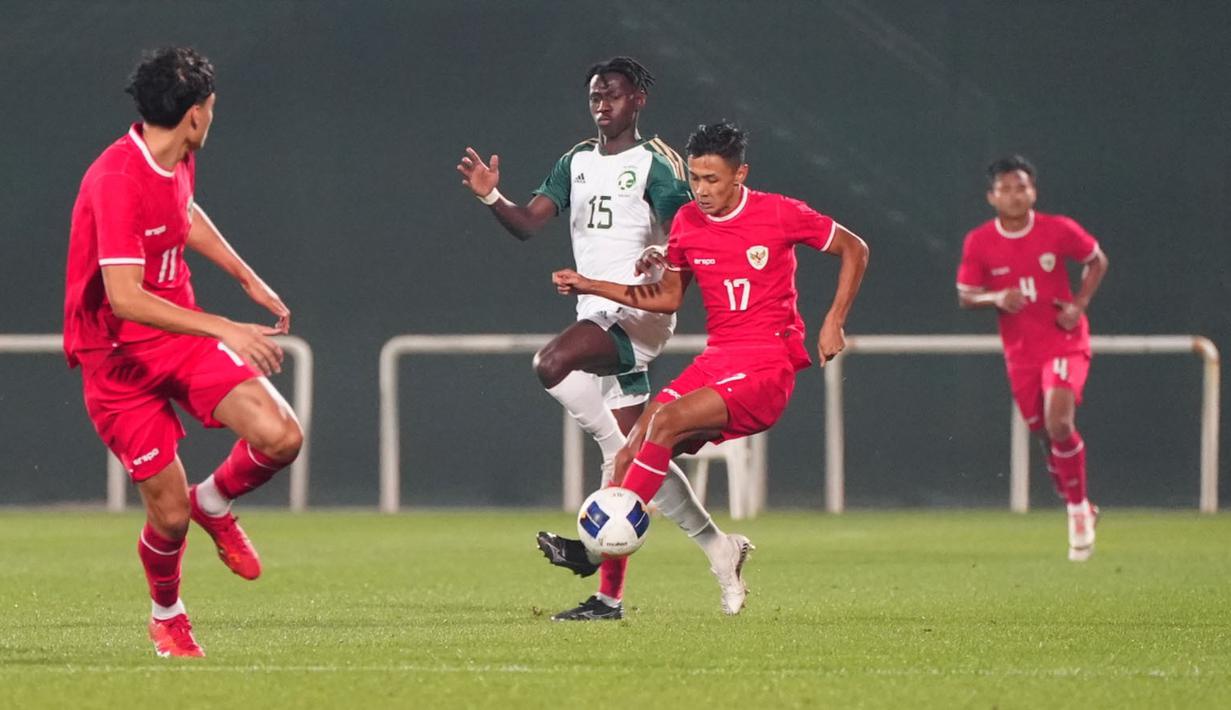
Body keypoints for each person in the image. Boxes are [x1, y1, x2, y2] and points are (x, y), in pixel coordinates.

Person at [456, 57, 749, 621]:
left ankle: (611, 477)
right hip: (597, 308)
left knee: (552, 363)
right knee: (646, 453)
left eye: (612, 94)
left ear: (638, 99)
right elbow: (528, 223)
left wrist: (663, 253)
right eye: (595, 95)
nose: (601, 105)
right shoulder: (576, 161)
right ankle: (712, 551)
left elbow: (688, 227)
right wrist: (492, 198)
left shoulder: (655, 162)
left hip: (638, 312)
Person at [552, 121, 869, 601]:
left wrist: (834, 321)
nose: (700, 190)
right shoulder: (687, 224)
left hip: (766, 367)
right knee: (626, 455)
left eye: (712, 179)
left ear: (740, 174)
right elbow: (667, 297)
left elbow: (855, 248)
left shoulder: (779, 213)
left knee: (664, 423)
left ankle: (595, 551)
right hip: (717, 361)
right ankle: (610, 599)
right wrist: (592, 284)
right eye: (695, 178)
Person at [63, 47, 303, 656]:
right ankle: (167, 613)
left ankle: (215, 500)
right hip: (117, 358)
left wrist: (246, 278)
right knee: (168, 519)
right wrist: (224, 325)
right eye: (212, 108)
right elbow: (123, 297)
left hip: (178, 336)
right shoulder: (115, 179)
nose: (212, 118)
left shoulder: (178, 155)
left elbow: (182, 212)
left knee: (281, 436)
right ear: (195, 114)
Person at [956, 155, 1109, 561]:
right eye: (1005, 188)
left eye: (1021, 187)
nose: (1014, 194)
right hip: (1021, 351)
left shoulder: (1057, 230)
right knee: (1044, 430)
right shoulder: (979, 241)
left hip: (1063, 340)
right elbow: (966, 295)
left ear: (1033, 191)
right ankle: (1078, 499)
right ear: (992, 197)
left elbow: (1096, 259)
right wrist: (995, 297)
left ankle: (1076, 513)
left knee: (1060, 422)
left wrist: (1079, 303)